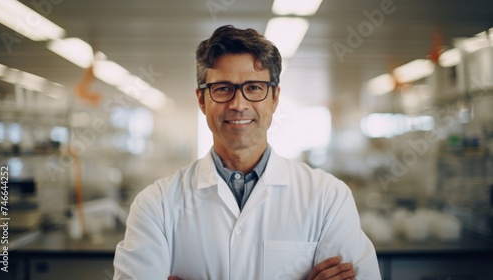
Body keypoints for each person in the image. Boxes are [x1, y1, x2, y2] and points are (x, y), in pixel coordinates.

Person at [113, 25, 381, 280]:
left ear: (274, 98)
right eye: (222, 89)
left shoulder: (328, 198)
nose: (238, 104)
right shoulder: (156, 206)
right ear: (201, 100)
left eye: (254, 87)